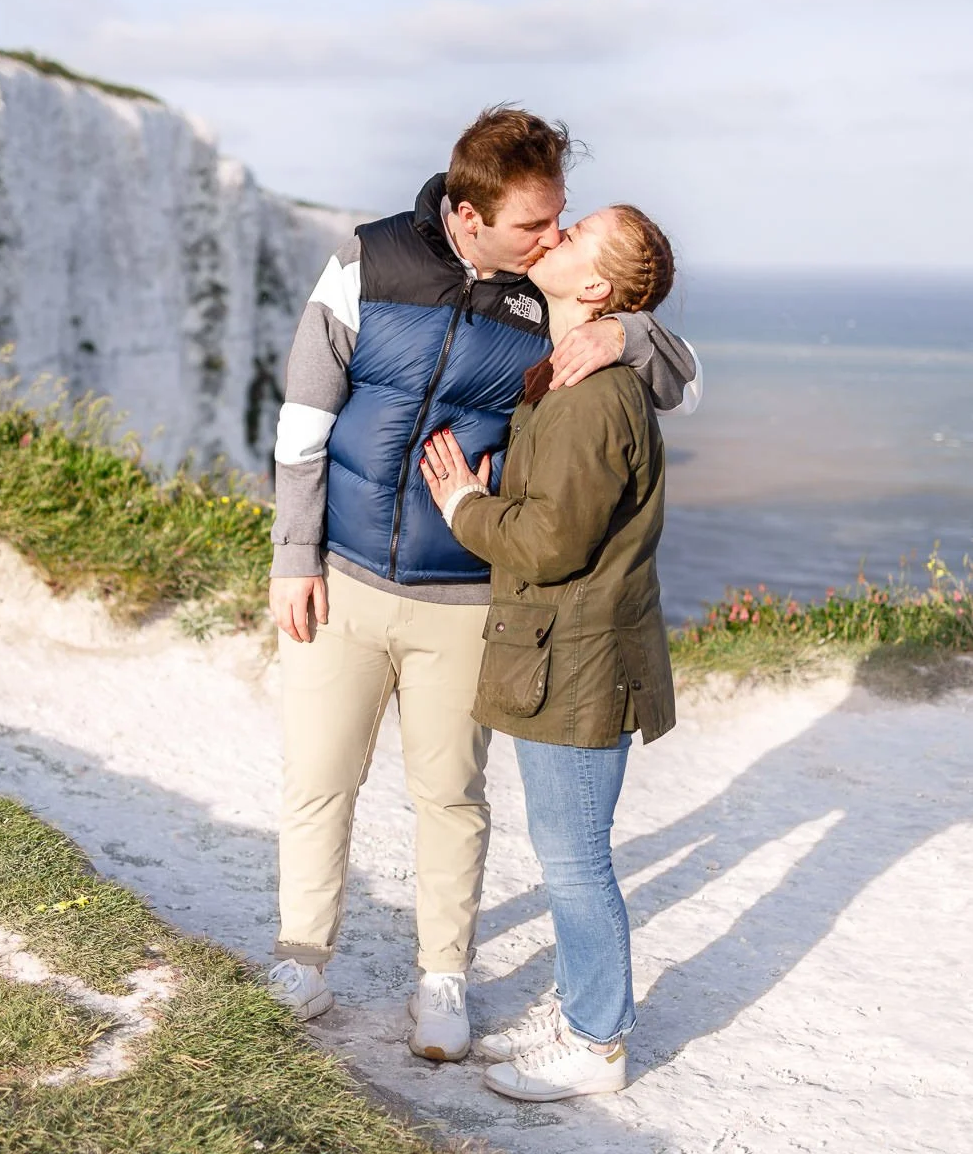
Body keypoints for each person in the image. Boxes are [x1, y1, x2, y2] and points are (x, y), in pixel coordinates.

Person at [263, 106, 702, 1062]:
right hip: (341, 577)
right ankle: (301, 958)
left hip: (466, 595)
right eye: (534, 224)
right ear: (469, 215)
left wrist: (627, 336)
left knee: (451, 795)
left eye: (561, 220)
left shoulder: (547, 300)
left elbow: (683, 379)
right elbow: (304, 417)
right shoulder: (369, 261)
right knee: (319, 776)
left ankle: (442, 980)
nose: (550, 237)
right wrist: (293, 554)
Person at [416, 203, 678, 1101]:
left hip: (577, 662)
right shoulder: (573, 372)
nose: (555, 235)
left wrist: (465, 507)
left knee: (575, 861)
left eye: (576, 236)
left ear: (597, 287)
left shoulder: (592, 397)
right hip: (566, 653)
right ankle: (577, 1011)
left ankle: (598, 1041)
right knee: (570, 849)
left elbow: (551, 542)